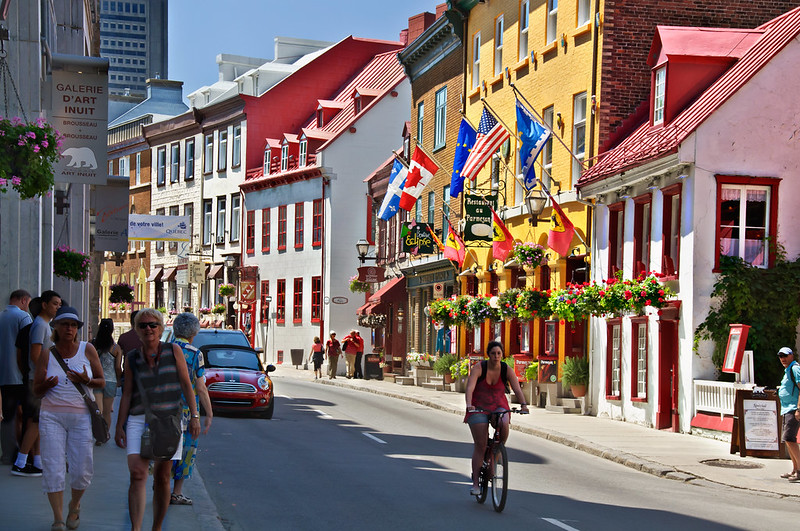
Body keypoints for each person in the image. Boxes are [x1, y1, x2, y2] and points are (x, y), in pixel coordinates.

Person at [114, 308, 200, 531]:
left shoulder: (173, 351)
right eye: (143, 326)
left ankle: (157, 527)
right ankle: (136, 528)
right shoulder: (132, 357)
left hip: (168, 420)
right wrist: (119, 425)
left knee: (162, 477)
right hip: (137, 419)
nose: (148, 329)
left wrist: (195, 416)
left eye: (153, 325)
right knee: (137, 473)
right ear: (137, 331)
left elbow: (186, 384)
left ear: (161, 329)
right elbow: (126, 392)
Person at [34, 306, 104, 531]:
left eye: (73, 325)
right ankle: (57, 518)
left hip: (81, 416)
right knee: (53, 467)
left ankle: (75, 505)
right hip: (51, 416)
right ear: (55, 327)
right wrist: (47, 384)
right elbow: (36, 390)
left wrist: (87, 380)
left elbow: (103, 381)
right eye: (65, 324)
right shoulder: (47, 353)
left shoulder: (88, 349)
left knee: (82, 468)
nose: (70, 329)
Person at [464, 340, 528, 496]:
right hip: (478, 406)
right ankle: (475, 484)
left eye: (499, 353)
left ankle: (497, 453)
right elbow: (470, 388)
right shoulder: (479, 368)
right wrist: (469, 405)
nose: (496, 356)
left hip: (499, 405)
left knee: (504, 423)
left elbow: (517, 389)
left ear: (502, 354)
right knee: (481, 444)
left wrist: (524, 405)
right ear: (488, 355)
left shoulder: (506, 369)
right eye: (493, 353)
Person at [13, 290, 61, 477]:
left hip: (37, 378)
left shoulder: (43, 325)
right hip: (38, 379)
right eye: (55, 304)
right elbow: (34, 354)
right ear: (44, 305)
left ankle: (38, 461)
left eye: (58, 304)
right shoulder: (41, 325)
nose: (58, 307)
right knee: (36, 420)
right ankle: (21, 461)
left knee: (39, 421)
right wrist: (44, 374)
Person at [169, 313, 212, 506]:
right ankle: (176, 492)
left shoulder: (163, 349)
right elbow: (200, 387)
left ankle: (160, 484)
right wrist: (208, 412)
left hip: (162, 407)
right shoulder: (195, 353)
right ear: (194, 332)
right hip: (187, 410)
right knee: (186, 450)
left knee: (164, 447)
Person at [0, 289, 32, 465]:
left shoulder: (0, 316)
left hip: (3, 375)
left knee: (6, 415)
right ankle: (24, 452)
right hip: (19, 375)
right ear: (24, 300)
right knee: (28, 415)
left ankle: (7, 453)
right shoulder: (23, 317)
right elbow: (27, 346)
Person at [91, 319, 122, 442]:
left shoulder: (92, 344)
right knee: (107, 413)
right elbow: (118, 367)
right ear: (112, 330)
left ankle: (98, 435)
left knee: (98, 411)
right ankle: (104, 434)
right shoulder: (116, 348)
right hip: (111, 381)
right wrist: (119, 379)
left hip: (96, 379)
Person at [777, 347, 800, 481]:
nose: (783, 359)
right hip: (787, 409)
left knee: (790, 439)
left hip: (793, 409)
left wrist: (798, 409)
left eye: (785, 355)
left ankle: (799, 471)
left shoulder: (795, 368)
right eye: (780, 356)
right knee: (788, 440)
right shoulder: (788, 369)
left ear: (791, 355)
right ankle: (794, 469)